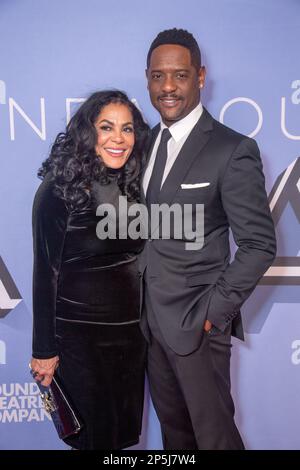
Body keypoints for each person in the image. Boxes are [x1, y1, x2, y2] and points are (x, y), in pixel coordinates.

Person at [140, 28, 276, 450]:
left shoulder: (232, 149)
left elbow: (258, 245)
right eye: (158, 76)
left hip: (198, 327)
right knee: (175, 442)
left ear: (200, 77)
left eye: (179, 76)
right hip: (148, 326)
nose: (167, 87)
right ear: (147, 78)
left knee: (215, 440)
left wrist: (212, 315)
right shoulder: (142, 144)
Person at [30, 90, 150, 450]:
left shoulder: (132, 186)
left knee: (121, 442)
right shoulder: (57, 189)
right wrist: (43, 349)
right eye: (107, 127)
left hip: (131, 339)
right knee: (93, 442)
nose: (119, 138)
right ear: (88, 132)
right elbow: (44, 273)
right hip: (80, 342)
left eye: (127, 129)